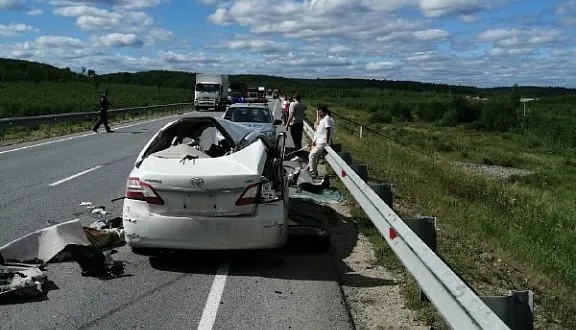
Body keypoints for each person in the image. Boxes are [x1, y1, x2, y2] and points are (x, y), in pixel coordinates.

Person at [305, 106, 334, 177]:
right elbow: (319, 130)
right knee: (314, 157)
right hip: (320, 141)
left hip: (322, 142)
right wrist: (315, 140)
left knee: (312, 155)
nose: (320, 114)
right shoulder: (324, 119)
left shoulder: (327, 119)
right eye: (319, 113)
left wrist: (326, 142)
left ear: (325, 112)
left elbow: (328, 130)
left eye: (321, 112)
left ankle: (312, 171)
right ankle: (312, 171)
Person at [285, 92, 306, 161]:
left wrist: (287, 124)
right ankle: (300, 155)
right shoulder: (302, 105)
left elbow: (291, 115)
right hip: (300, 123)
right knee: (299, 140)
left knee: (295, 141)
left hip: (294, 124)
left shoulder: (293, 104)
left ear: (294, 98)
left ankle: (298, 156)